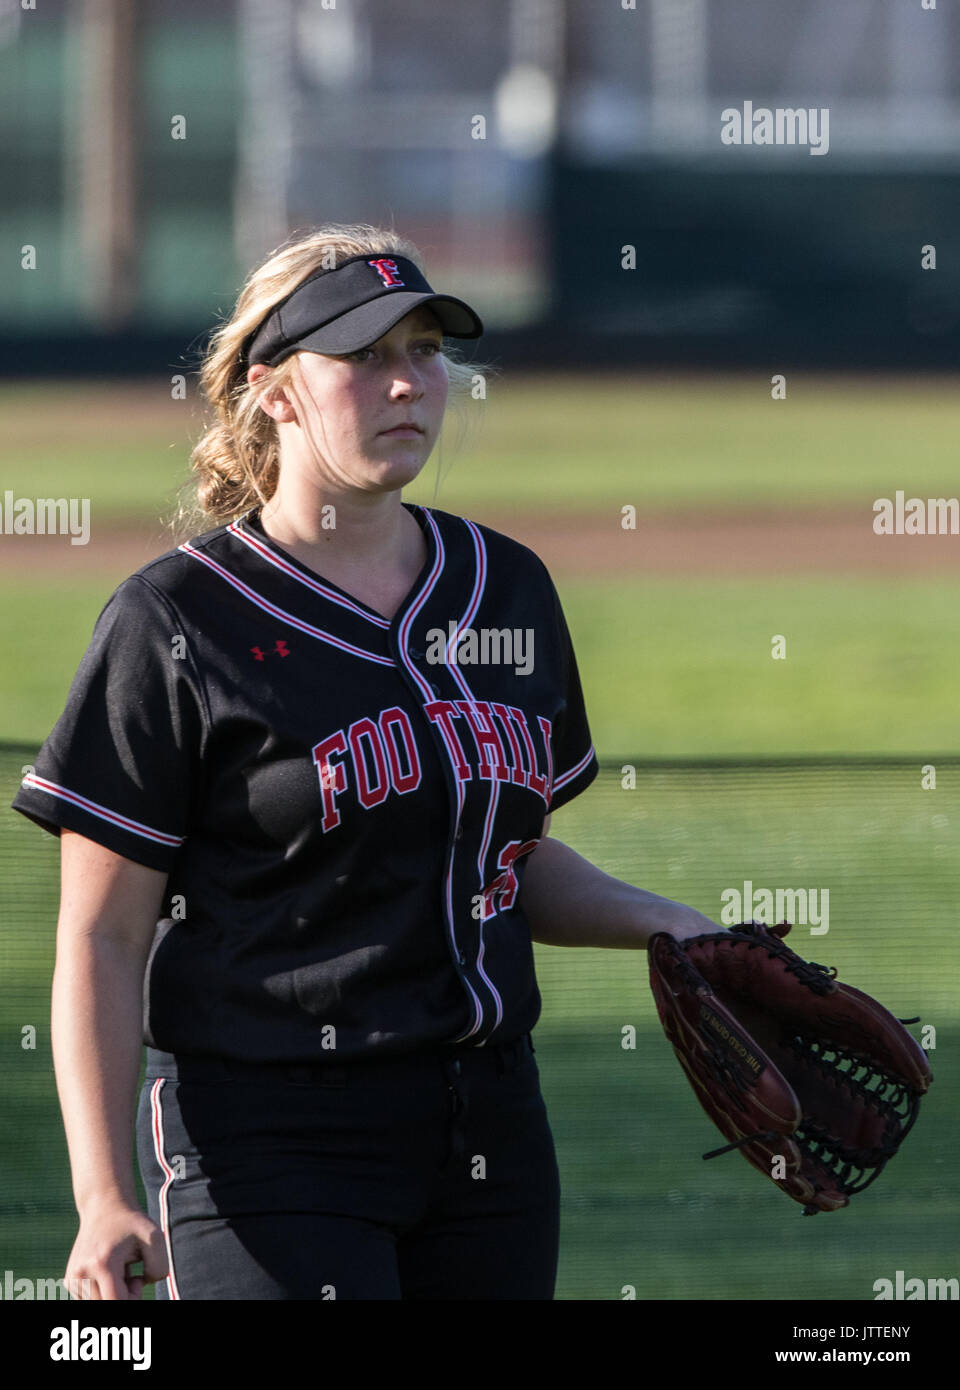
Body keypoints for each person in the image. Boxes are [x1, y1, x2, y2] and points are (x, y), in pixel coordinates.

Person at [11, 223, 719, 1301]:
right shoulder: (177, 620)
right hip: (266, 1139)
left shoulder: (507, 589)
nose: (406, 384)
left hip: (490, 1132)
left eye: (426, 351)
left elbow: (505, 858)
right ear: (274, 389)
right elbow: (103, 935)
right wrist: (103, 1192)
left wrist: (680, 926)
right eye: (364, 355)